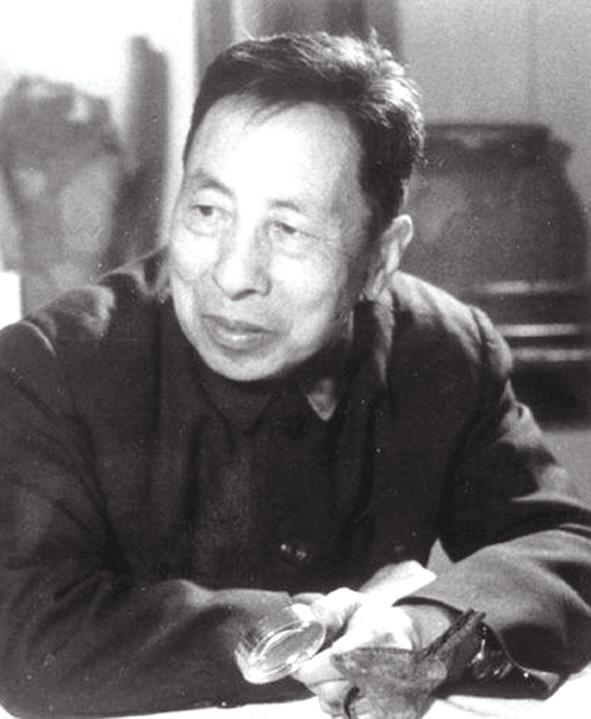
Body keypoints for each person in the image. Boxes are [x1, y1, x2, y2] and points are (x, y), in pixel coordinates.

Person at [0, 31, 590, 719]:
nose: (232, 275)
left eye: (288, 230)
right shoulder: (50, 366)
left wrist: (417, 627)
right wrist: (320, 629)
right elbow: (28, 637)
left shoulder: (442, 350)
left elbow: (565, 546)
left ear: (380, 258)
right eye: (207, 211)